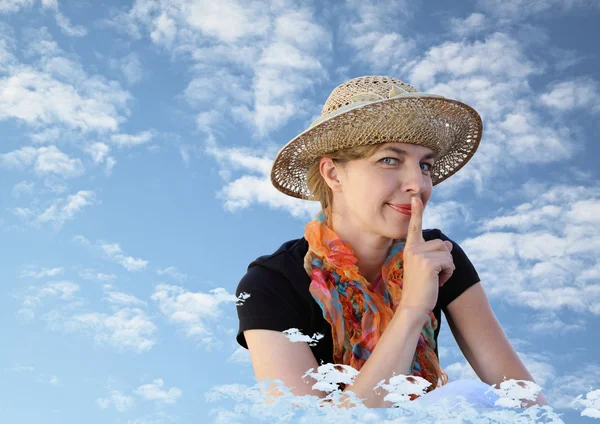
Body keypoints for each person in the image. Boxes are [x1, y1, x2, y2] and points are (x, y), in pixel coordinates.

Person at [235, 76, 548, 409]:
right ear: (332, 173)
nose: (418, 184)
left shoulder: (437, 256)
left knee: (467, 399)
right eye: (389, 160)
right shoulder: (271, 283)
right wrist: (412, 309)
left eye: (425, 165)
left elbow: (528, 402)